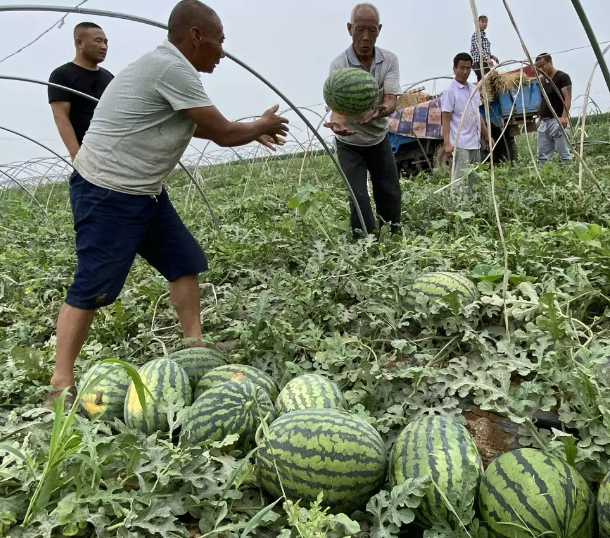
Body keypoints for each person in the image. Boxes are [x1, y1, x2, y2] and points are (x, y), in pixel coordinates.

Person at [47, 0, 289, 405]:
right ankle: (59, 382)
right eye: (219, 41)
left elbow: (196, 125)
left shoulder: (170, 70)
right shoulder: (171, 67)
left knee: (184, 262)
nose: (222, 51)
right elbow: (224, 133)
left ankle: (194, 346)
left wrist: (249, 132)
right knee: (93, 286)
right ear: (196, 36)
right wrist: (258, 126)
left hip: (145, 190)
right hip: (108, 190)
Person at [324, 3, 402, 237]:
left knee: (389, 191)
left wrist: (380, 110)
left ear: (379, 29)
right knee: (357, 195)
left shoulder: (389, 60)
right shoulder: (339, 65)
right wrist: (338, 123)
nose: (365, 37)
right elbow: (337, 108)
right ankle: (364, 242)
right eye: (359, 30)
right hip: (349, 142)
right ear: (350, 29)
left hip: (378, 137)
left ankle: (393, 235)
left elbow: (391, 99)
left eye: (371, 30)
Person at [48, 22, 114, 162]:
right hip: (89, 155)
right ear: (80, 43)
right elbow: (61, 117)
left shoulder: (109, 77)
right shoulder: (62, 75)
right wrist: (76, 155)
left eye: (106, 42)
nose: (104, 46)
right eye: (98, 41)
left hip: (115, 151)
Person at [441, 52, 489, 191]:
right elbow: (446, 118)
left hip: (474, 142)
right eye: (461, 68)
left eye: (468, 68)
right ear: (454, 69)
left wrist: (486, 135)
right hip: (460, 143)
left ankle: (474, 206)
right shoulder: (450, 92)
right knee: (460, 180)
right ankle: (458, 207)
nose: (465, 71)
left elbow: (477, 114)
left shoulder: (474, 90)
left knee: (475, 178)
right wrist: (447, 143)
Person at [534, 53, 573, 165]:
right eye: (538, 68)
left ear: (550, 62)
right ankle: (545, 175)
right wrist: (540, 118)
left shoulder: (562, 77)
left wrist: (564, 117)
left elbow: (568, 97)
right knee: (542, 154)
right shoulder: (542, 81)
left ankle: (568, 175)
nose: (541, 69)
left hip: (558, 119)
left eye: (543, 66)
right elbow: (544, 101)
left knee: (563, 152)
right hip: (545, 122)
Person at [470, 15, 498, 83]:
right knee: (488, 79)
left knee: (487, 80)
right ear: (478, 23)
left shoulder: (483, 35)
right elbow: (478, 48)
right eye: (482, 22)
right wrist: (487, 58)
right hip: (478, 62)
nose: (484, 24)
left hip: (483, 61)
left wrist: (491, 56)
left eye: (486, 22)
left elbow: (484, 49)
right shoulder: (477, 34)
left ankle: (481, 92)